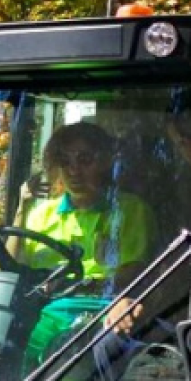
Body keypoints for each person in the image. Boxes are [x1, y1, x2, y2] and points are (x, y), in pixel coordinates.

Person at [16, 122, 154, 291]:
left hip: (100, 311)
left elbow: (132, 275)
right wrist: (22, 208)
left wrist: (77, 286)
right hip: (39, 310)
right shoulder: (41, 214)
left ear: (105, 162)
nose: (74, 171)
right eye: (65, 162)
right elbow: (9, 269)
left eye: (84, 160)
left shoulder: (129, 210)